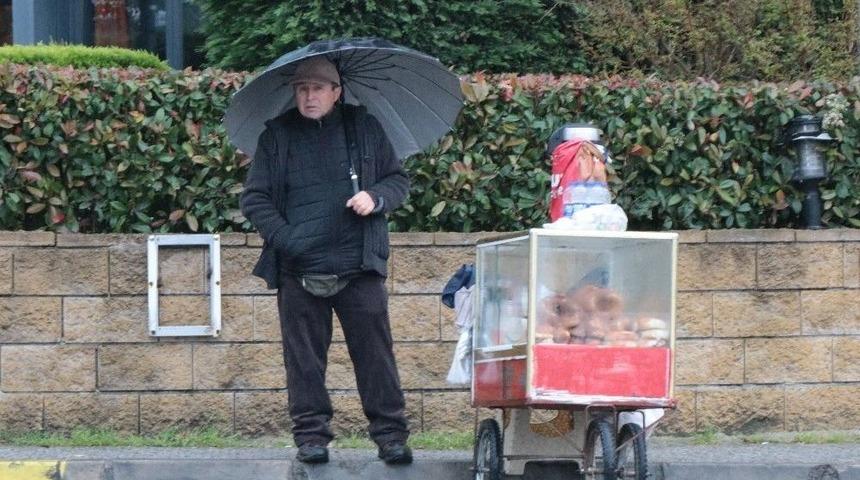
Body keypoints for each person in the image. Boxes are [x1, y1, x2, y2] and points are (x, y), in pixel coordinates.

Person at [240, 56, 412, 465]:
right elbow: (255, 198)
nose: (309, 95)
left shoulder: (364, 128)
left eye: (318, 88)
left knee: (375, 356)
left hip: (359, 265)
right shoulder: (277, 136)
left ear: (337, 92)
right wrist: (287, 240)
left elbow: (397, 179)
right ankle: (311, 438)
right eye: (302, 88)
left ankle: (390, 436)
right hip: (298, 268)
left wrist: (377, 197)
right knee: (303, 361)